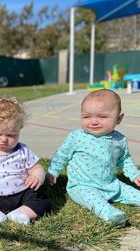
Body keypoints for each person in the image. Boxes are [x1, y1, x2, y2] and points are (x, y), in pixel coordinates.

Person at [48, 89, 140, 226]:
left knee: (132, 193)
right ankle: (111, 215)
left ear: (119, 118)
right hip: (82, 186)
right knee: (95, 201)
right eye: (86, 117)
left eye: (102, 117)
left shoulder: (119, 140)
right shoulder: (77, 137)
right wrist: (53, 171)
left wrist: (134, 174)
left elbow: (124, 159)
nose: (94, 122)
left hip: (111, 184)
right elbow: (61, 155)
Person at [0, 97, 51, 226]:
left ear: (19, 130)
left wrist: (37, 177)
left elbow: (37, 168)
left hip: (22, 194)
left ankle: (21, 213)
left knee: (41, 199)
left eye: (11, 135)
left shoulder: (23, 151)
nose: (4, 140)